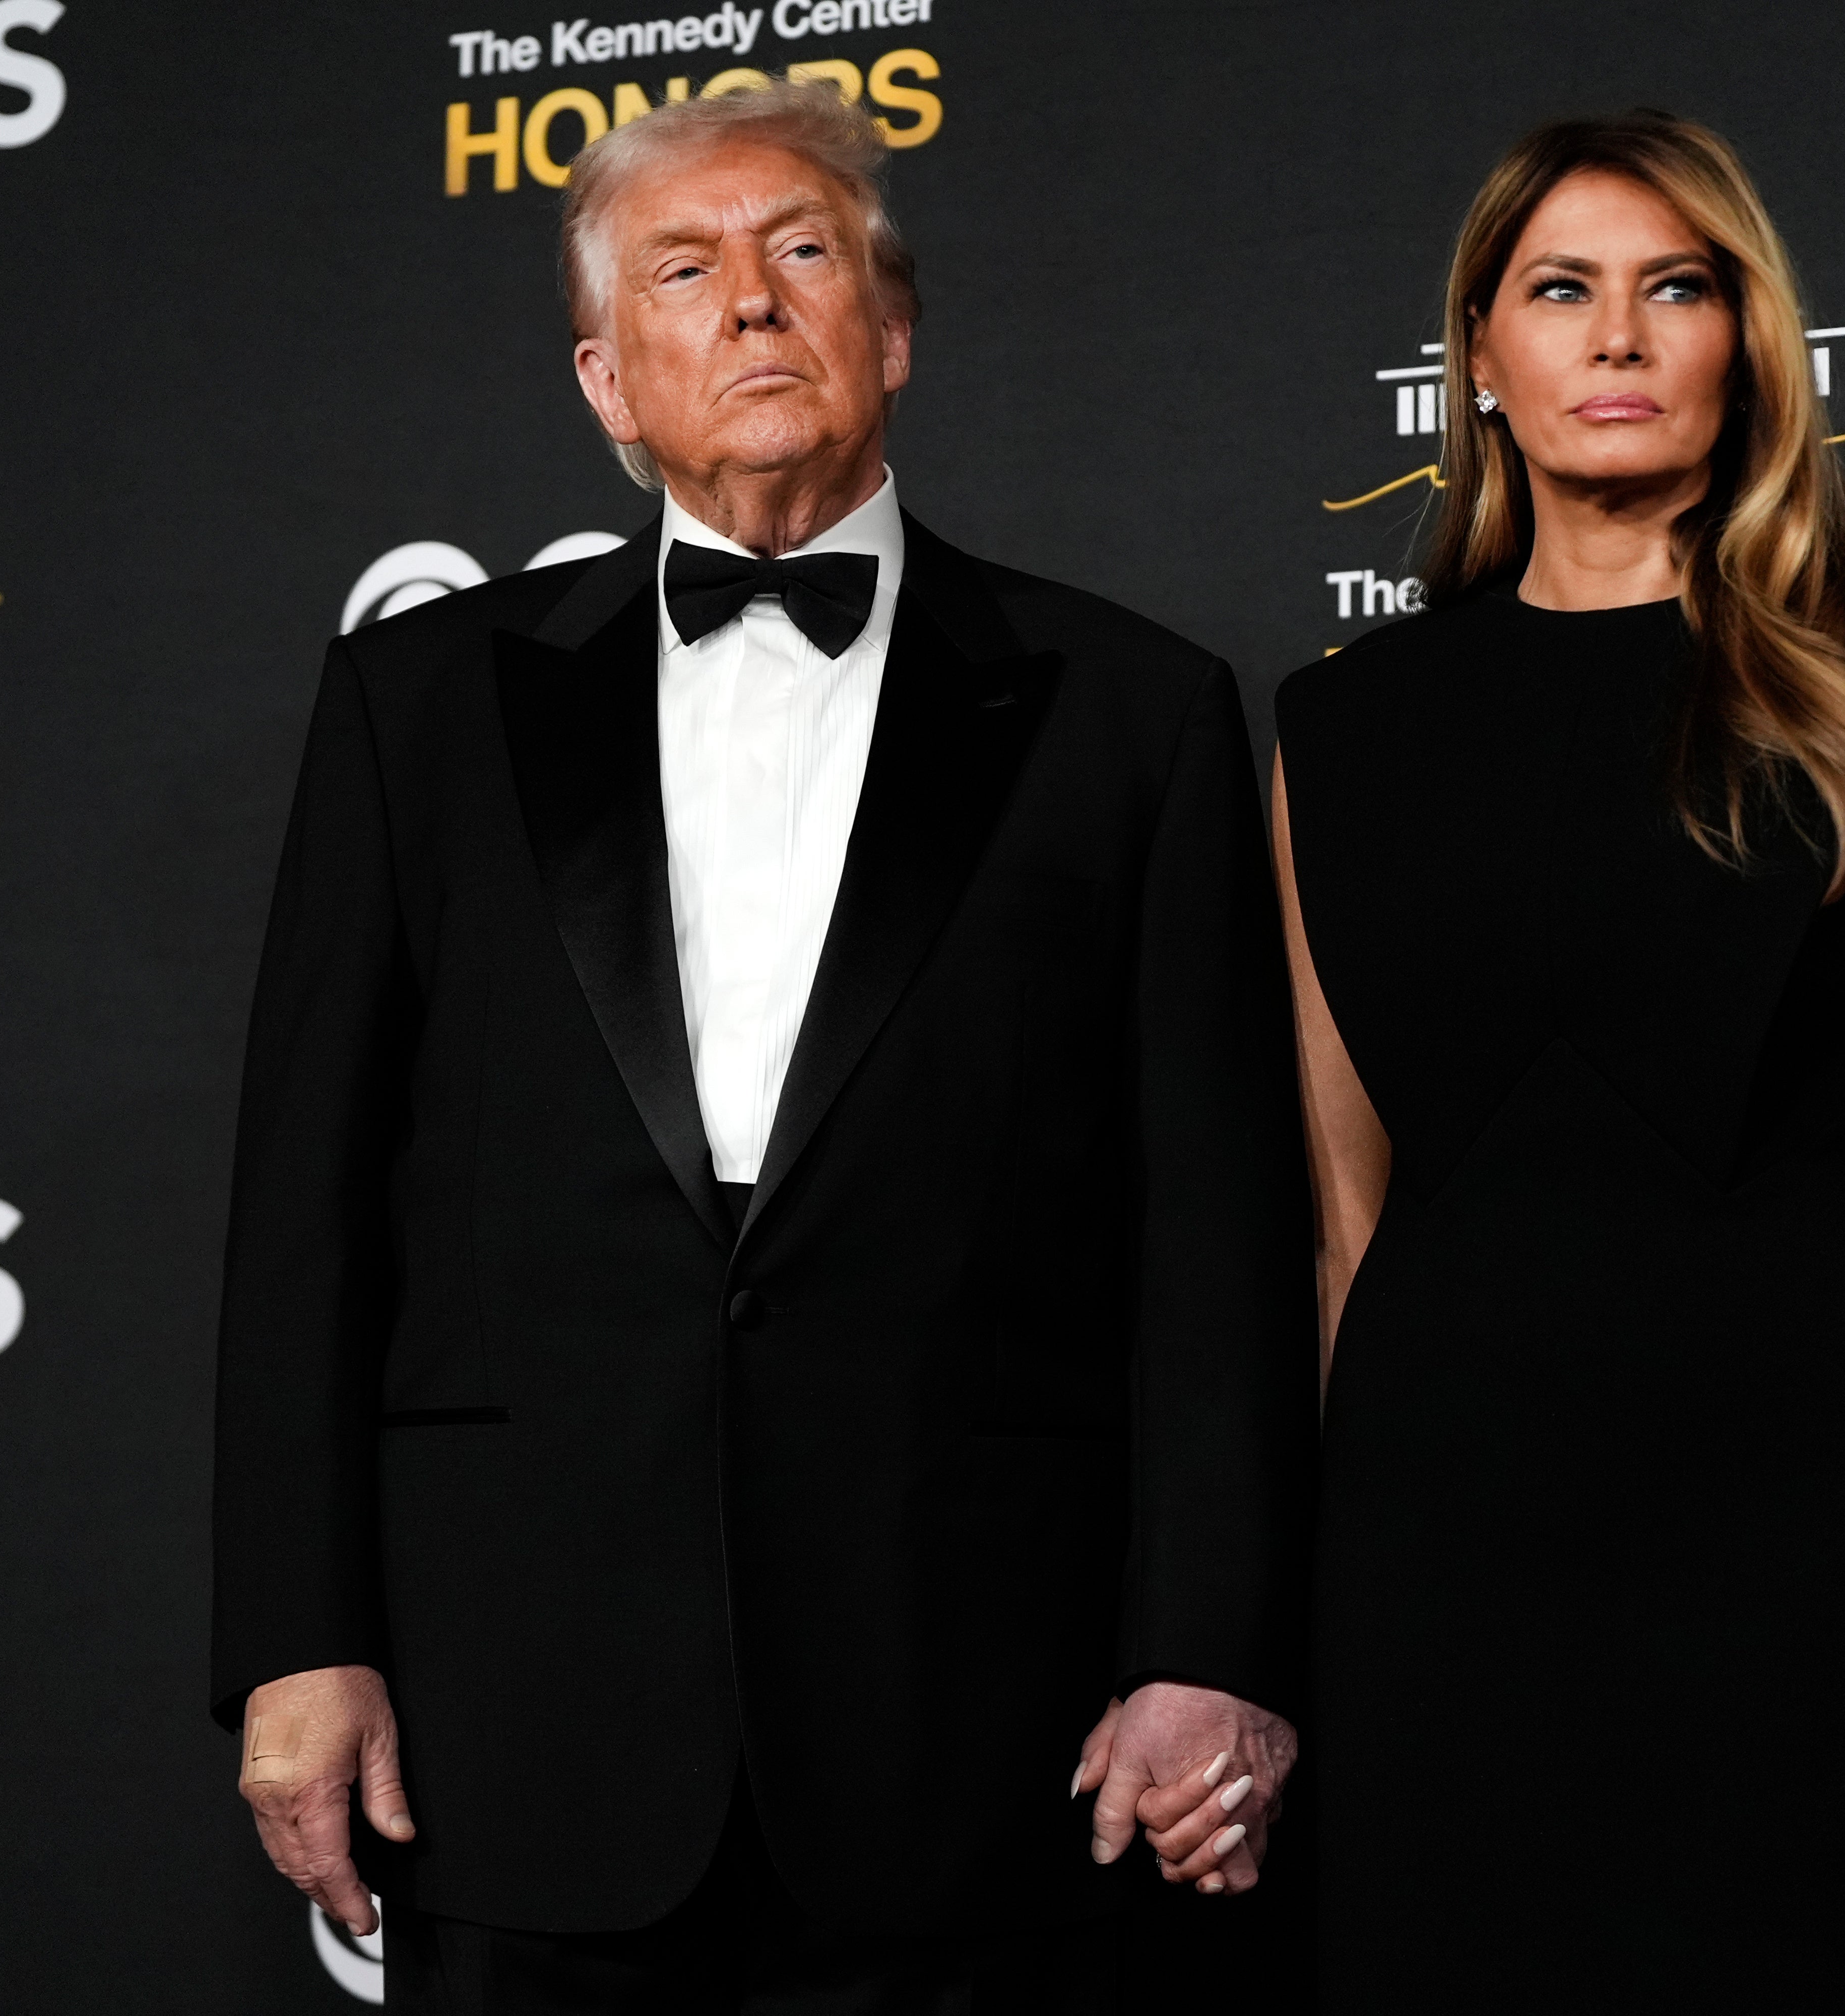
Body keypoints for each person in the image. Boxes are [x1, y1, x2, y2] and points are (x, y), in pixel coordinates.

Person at [211, 83, 1316, 2014]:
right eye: (685, 270)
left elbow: (1213, 1231)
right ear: (606, 382)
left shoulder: (1135, 716)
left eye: (802, 253)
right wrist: (298, 1640)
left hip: (979, 1724)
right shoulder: (417, 708)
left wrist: (1207, 1641)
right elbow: (306, 1209)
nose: (750, 305)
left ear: (890, 336)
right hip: (524, 1717)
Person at [1271, 112, 1845, 2008]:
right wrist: (1293, 1627)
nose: (1617, 338)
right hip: (1431, 1548)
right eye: (1562, 291)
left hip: (1789, 1515)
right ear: (1480, 359)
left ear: (1744, 346)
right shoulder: (1335, 729)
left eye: (1673, 289)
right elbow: (1341, 1220)